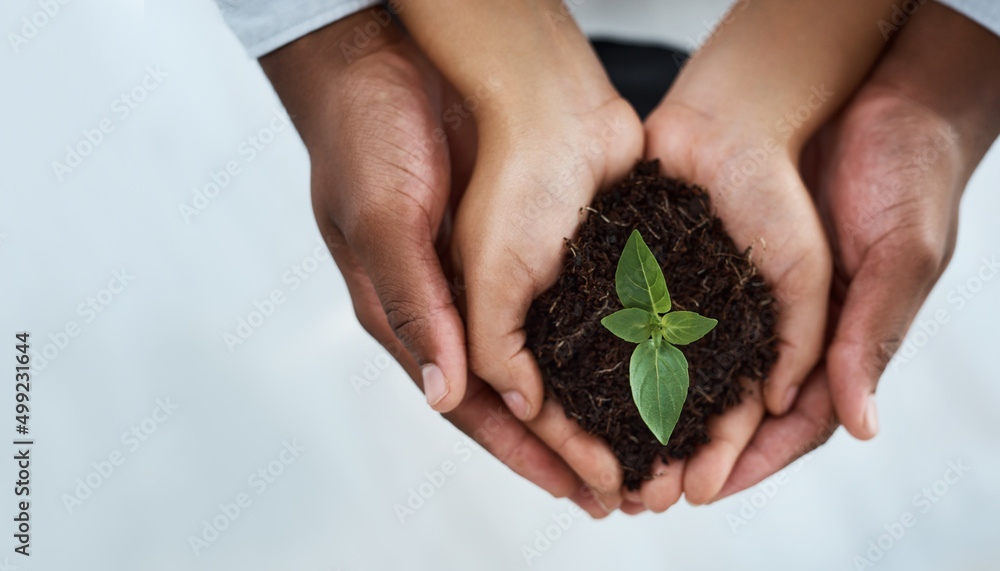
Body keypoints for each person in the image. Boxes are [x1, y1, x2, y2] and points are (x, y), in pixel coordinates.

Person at [218, 0, 1000, 516]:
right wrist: (330, 40)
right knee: (465, 229)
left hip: (810, 74)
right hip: (458, 58)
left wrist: (945, 78)